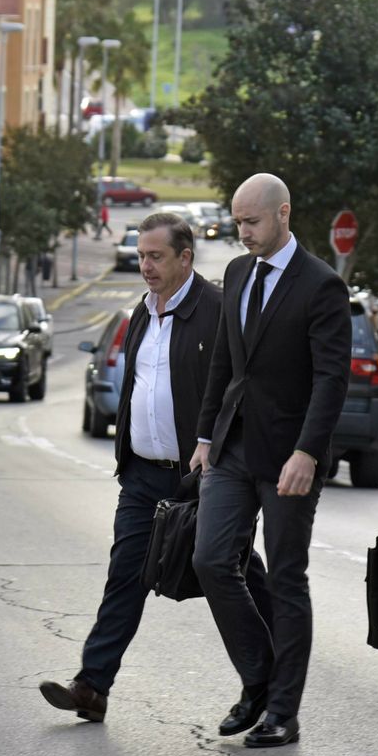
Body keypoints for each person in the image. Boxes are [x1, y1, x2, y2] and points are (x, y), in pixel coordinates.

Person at [40, 212, 272, 722]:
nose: (145, 265)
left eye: (155, 256)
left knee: (230, 571)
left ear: (185, 258)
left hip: (204, 473)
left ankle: (274, 677)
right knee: (126, 573)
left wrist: (222, 452)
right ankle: (92, 686)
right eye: (142, 256)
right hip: (144, 475)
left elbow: (241, 386)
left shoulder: (217, 310)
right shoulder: (143, 312)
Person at [189, 173, 351, 748]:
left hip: (288, 458)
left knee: (285, 579)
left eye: (251, 222)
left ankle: (283, 711)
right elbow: (224, 366)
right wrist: (207, 436)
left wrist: (308, 451)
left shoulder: (321, 286)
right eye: (236, 223)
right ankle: (259, 679)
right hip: (231, 448)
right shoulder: (236, 273)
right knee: (210, 561)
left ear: (283, 214)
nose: (242, 233)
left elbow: (333, 379)